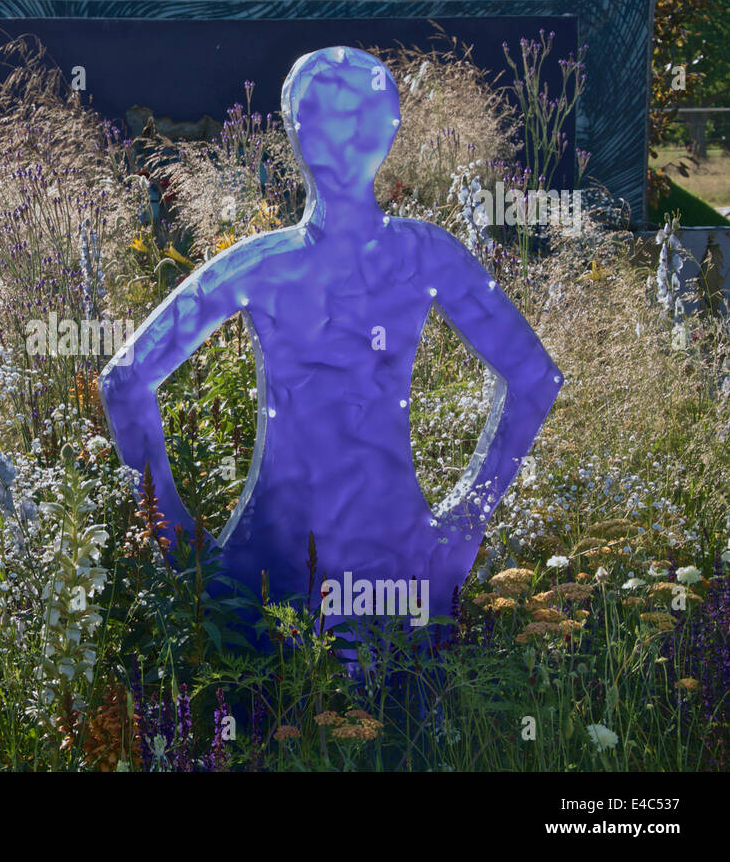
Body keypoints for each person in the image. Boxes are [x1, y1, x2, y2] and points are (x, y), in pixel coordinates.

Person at [100, 46, 561, 636]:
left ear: (297, 137)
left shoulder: (265, 265)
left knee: (289, 719)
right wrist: (465, 524)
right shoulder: (424, 255)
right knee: (401, 722)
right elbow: (533, 377)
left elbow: (126, 380)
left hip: (275, 570)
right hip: (393, 562)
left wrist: (187, 551)